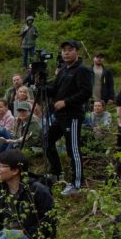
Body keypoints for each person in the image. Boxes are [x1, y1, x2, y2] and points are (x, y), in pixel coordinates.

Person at [45, 39, 92, 196]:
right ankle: (57, 172)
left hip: (72, 115)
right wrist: (41, 85)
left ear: (77, 52)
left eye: (70, 50)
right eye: (64, 50)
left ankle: (77, 184)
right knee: (47, 140)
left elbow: (86, 92)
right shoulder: (63, 70)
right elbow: (54, 89)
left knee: (73, 149)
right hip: (60, 116)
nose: (66, 53)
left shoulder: (82, 70)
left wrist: (66, 102)